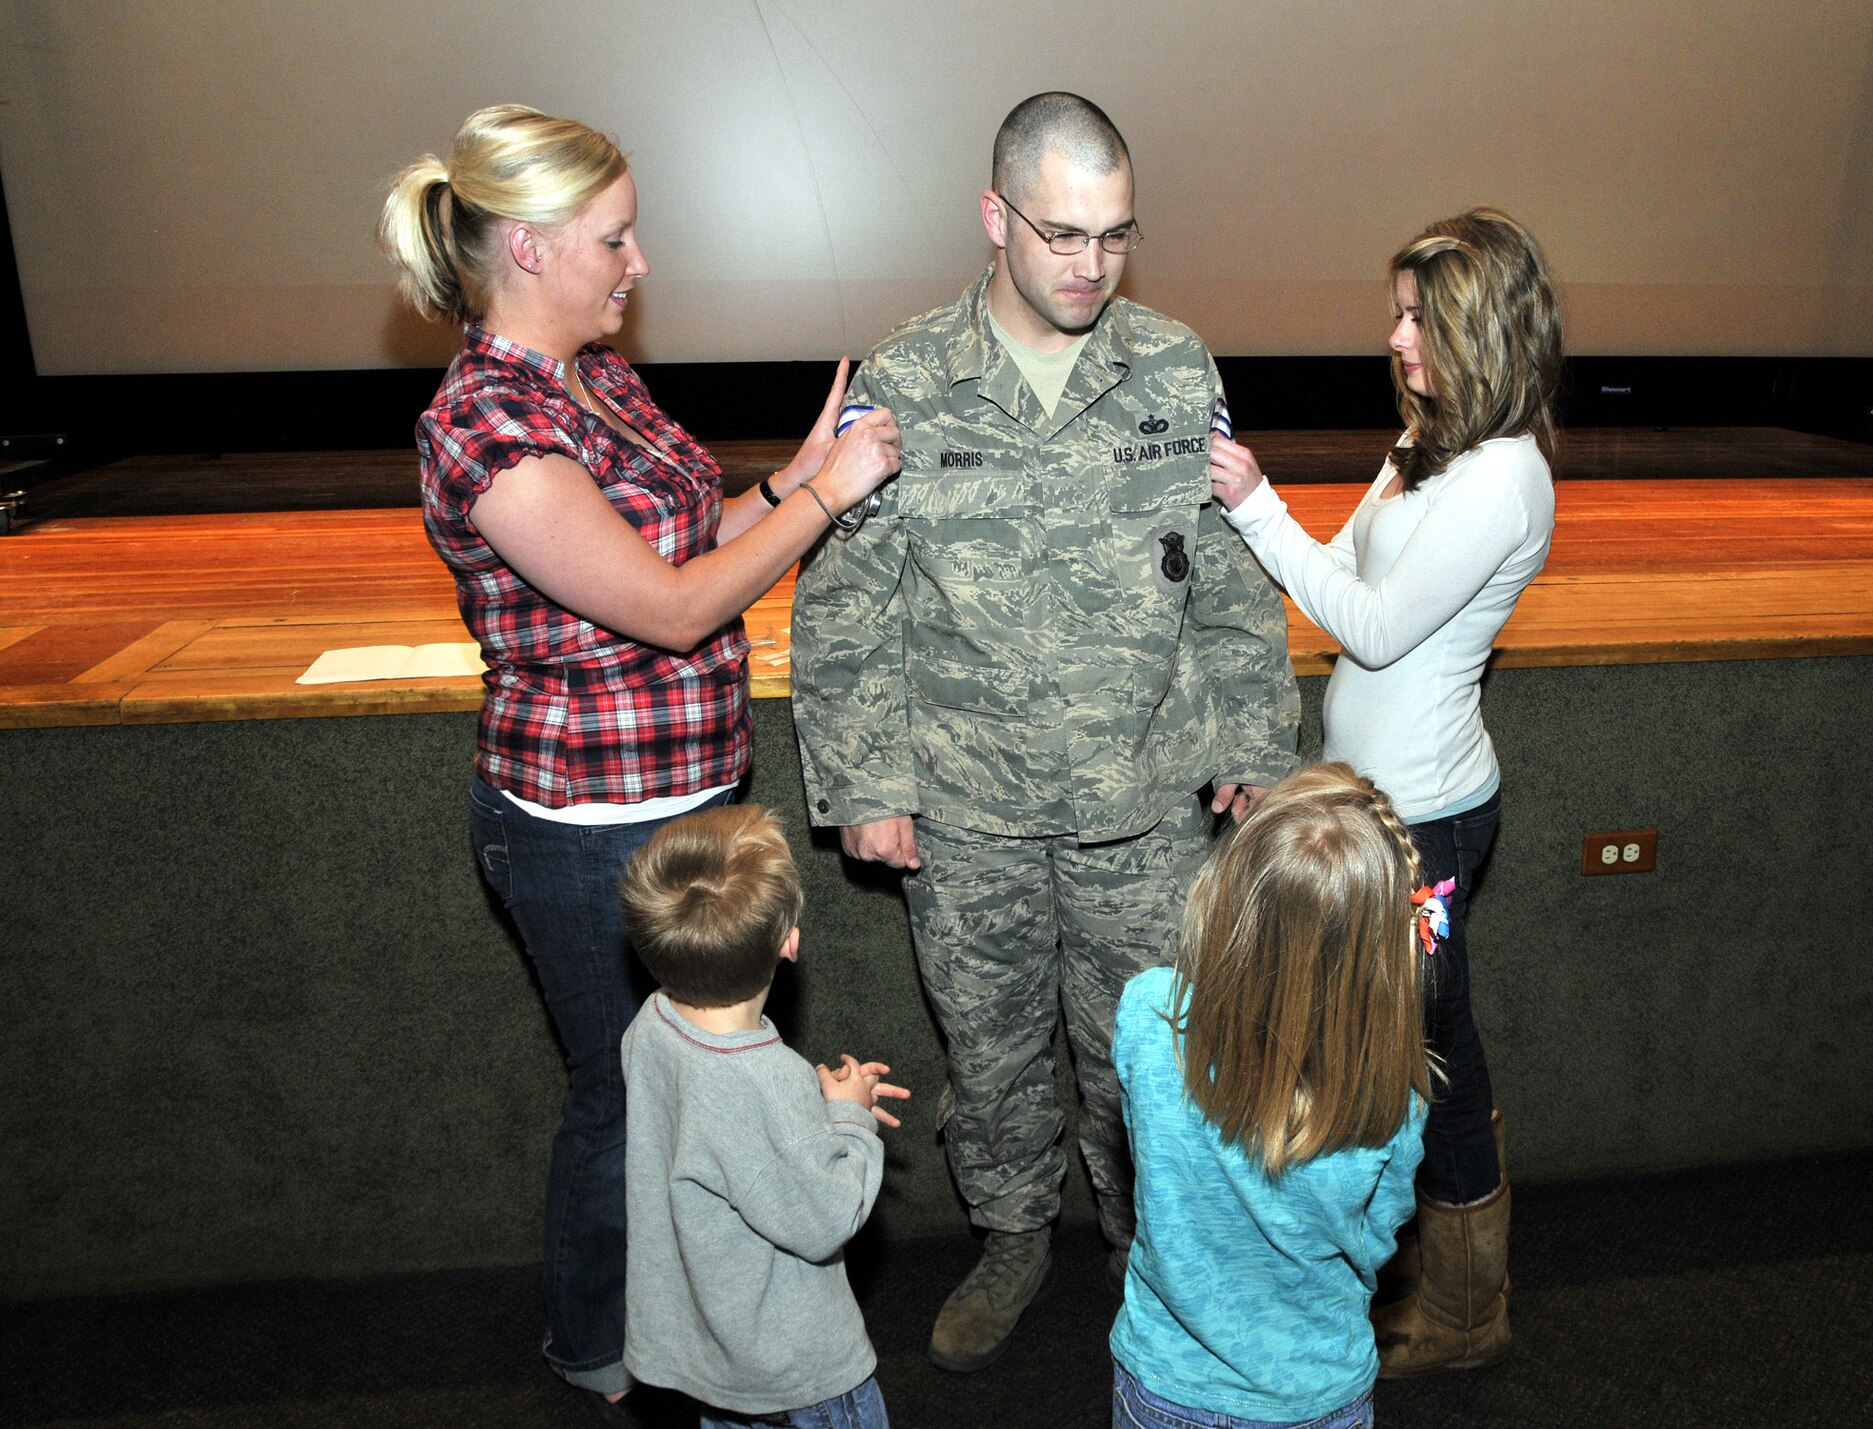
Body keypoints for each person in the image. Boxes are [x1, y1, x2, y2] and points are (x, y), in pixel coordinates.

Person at [377, 104, 901, 1417]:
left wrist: (792, 479)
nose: (640, 261)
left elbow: (682, 543)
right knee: (626, 1103)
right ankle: (592, 1335)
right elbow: (671, 610)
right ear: (535, 250)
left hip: (684, 794)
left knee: (697, 1091)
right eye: (615, 237)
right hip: (582, 827)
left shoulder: (592, 372)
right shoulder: (485, 427)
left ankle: (709, 1307)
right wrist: (833, 499)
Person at [789, 91, 1300, 1372]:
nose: (1089, 265)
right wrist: (865, 781)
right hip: (967, 808)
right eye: (1062, 233)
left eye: (1115, 235)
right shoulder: (908, 375)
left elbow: (1230, 571)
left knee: (1151, 1054)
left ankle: (1146, 1250)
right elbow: (850, 598)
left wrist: (1254, 737)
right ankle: (1012, 1236)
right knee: (992, 1044)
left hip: (1144, 795)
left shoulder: (1175, 367)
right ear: (993, 217)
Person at [1206, 207, 1562, 1376]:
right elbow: (1348, 560)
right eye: (1398, 312)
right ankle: (1426, 1288)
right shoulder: (1428, 447)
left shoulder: (1503, 478)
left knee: (1425, 1049)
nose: (1394, 336)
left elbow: (1364, 624)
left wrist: (1253, 500)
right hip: (1368, 807)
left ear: (1478, 327)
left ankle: (1463, 1314)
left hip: (1429, 828)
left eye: (1418, 316)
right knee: (1412, 1039)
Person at [1110, 762, 1431, 1429]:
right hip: (1315, 1395)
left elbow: (1146, 1154)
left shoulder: (1147, 1014)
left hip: (1167, 1380)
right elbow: (1375, 1239)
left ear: (1226, 889)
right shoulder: (1391, 1100)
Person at [619, 803, 909, 1428]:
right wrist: (849, 1121)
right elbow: (826, 1217)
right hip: (797, 1376)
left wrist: (815, 1101)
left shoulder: (651, 1028)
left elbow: (725, 1126)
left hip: (715, 1359)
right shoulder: (767, 1079)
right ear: (790, 943)